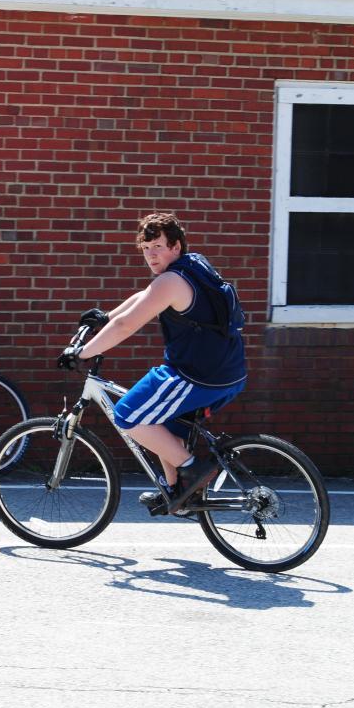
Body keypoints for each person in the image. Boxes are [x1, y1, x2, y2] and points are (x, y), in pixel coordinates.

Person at [57, 212, 247, 515]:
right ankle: (178, 492)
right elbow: (141, 298)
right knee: (162, 424)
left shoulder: (171, 281)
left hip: (194, 375)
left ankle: (192, 469)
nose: (151, 255)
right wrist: (106, 316)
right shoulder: (193, 266)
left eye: (157, 246)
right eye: (145, 249)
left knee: (129, 415)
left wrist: (82, 353)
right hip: (227, 372)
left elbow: (126, 327)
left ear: (176, 246)